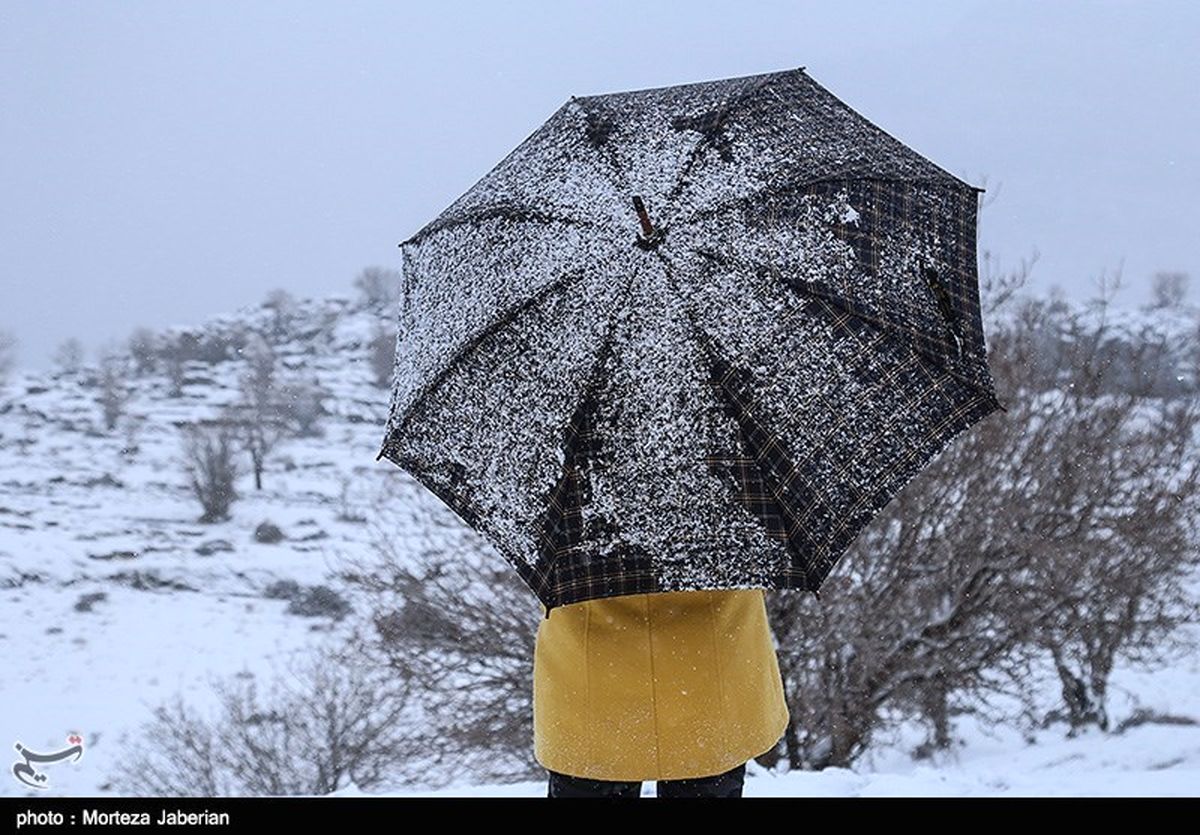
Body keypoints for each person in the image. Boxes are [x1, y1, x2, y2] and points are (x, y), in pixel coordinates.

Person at [533, 587, 789, 798]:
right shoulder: (734, 525)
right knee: (707, 778)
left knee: (591, 780)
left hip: (592, 678)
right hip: (709, 673)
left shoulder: (567, 529)